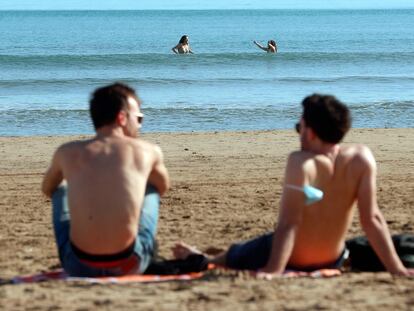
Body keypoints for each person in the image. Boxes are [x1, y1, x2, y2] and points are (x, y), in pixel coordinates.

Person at [173, 94, 414, 277]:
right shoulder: (362, 158)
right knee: (252, 246)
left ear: (310, 133)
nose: (298, 135)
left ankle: (201, 258)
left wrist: (274, 270)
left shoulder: (301, 162)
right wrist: (397, 269)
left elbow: (289, 223)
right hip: (334, 258)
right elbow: (372, 218)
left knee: (237, 253)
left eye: (299, 128)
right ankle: (206, 255)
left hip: (294, 258)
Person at [42, 82, 170, 277]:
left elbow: (47, 188)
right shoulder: (147, 151)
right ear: (122, 117)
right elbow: (162, 187)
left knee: (61, 190)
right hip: (131, 263)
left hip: (77, 265)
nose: (140, 125)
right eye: (139, 119)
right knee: (150, 188)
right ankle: (147, 251)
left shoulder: (66, 152)